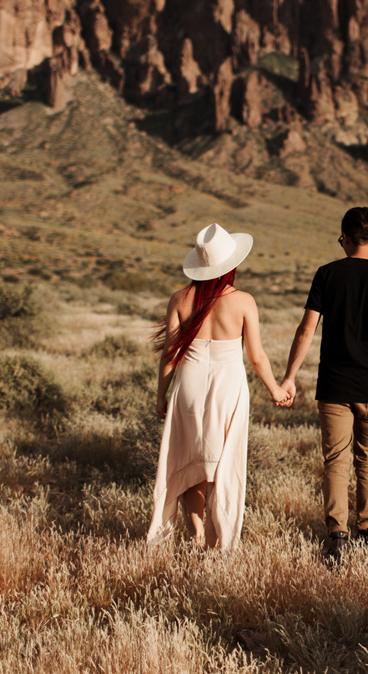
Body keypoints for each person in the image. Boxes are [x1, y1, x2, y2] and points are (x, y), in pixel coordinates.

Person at [281, 206, 368, 563]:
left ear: (344, 237)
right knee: (367, 461)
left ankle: (337, 536)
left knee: (335, 463)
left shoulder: (327, 274)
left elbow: (306, 330)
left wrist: (290, 377)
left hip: (335, 386)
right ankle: (367, 531)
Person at [147, 223, 292, 551]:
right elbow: (256, 357)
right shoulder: (243, 302)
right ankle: (218, 543)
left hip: (189, 385)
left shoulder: (180, 299)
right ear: (231, 266)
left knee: (189, 459)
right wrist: (275, 390)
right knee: (223, 465)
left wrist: (160, 396)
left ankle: (196, 531)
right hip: (228, 388)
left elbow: (170, 356)